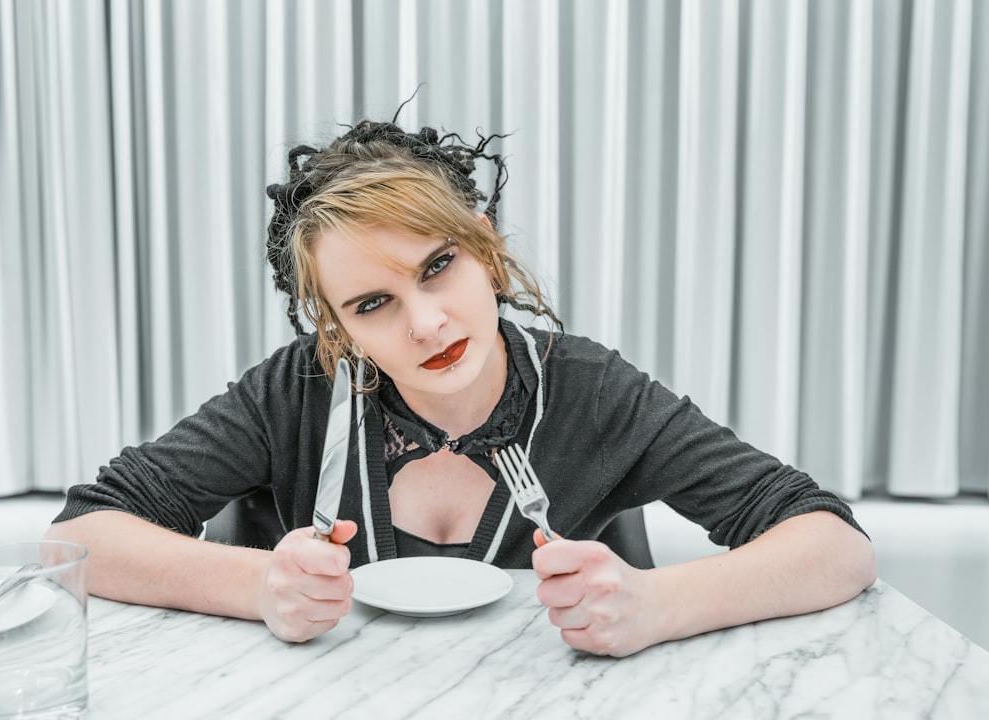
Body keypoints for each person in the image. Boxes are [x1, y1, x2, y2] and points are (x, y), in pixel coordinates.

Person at [45, 115, 876, 657]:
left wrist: (657, 605)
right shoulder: (299, 389)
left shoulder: (592, 391)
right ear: (335, 327)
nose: (428, 325)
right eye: (374, 304)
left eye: (438, 267)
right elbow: (78, 537)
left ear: (483, 244)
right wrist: (256, 584)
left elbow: (834, 545)